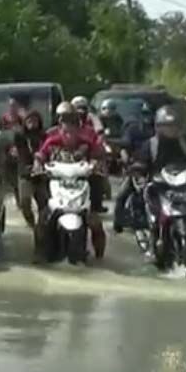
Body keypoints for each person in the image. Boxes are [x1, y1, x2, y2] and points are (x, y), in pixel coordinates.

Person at [34, 102, 106, 259]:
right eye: (64, 121)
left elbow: (97, 153)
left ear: (77, 122)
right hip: (57, 184)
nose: (68, 126)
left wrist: (96, 164)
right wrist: (38, 165)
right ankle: (39, 252)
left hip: (82, 184)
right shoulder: (52, 139)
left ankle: (100, 256)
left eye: (72, 121)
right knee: (43, 217)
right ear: (59, 123)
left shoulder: (86, 140)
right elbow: (41, 155)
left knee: (95, 222)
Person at [134, 107, 186, 251]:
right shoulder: (151, 145)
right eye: (166, 126)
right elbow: (140, 162)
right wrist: (140, 174)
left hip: (183, 187)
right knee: (140, 203)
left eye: (173, 126)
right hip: (158, 187)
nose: (170, 130)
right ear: (158, 127)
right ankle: (148, 238)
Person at [113, 104, 156, 233]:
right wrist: (126, 161)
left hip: (154, 168)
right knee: (122, 195)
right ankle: (118, 222)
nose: (147, 117)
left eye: (149, 114)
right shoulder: (133, 129)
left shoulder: (159, 131)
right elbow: (124, 147)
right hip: (136, 167)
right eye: (144, 114)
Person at [14, 110, 49, 229]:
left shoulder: (44, 136)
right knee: (24, 202)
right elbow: (21, 153)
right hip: (26, 173)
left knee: (43, 203)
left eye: (35, 121)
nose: (32, 123)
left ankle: (42, 226)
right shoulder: (20, 136)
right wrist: (28, 166)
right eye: (29, 121)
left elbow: (48, 151)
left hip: (41, 174)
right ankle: (31, 223)